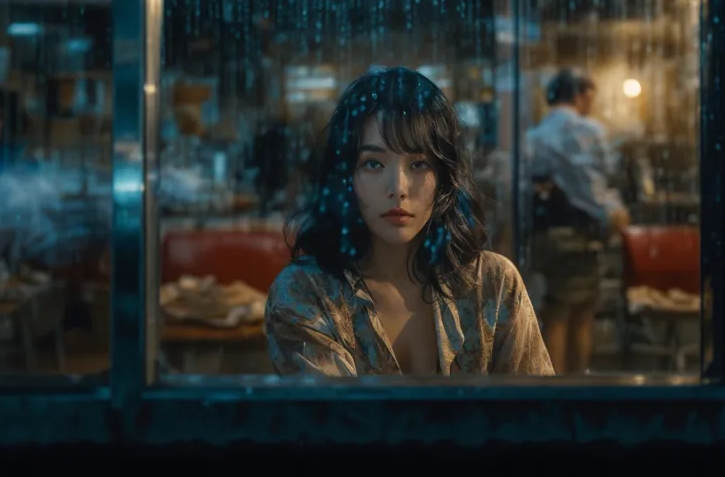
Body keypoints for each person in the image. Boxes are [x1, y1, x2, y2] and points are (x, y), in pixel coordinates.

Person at [265, 67, 553, 376]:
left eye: (418, 163)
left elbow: (534, 417)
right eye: (373, 163)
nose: (399, 188)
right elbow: (334, 422)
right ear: (346, 177)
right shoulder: (306, 292)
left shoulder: (493, 285)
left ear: (444, 176)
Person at [528, 69, 630, 375]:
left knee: (554, 312)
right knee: (581, 314)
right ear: (581, 95)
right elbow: (598, 183)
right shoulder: (590, 130)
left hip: (546, 234)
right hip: (580, 233)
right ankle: (575, 387)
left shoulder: (535, 136)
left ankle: (554, 387)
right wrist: (615, 214)